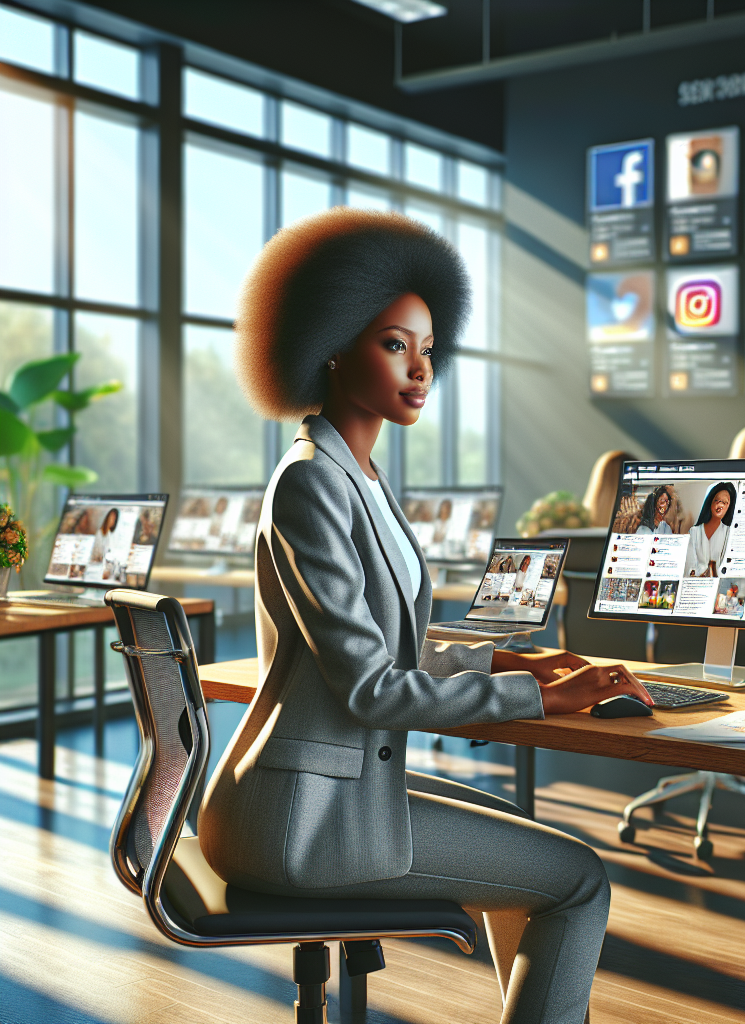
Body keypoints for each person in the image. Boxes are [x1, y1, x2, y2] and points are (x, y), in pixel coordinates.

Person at [199, 208, 652, 1024]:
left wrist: (518, 664)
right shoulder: (310, 484)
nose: (419, 369)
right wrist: (538, 700)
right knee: (581, 879)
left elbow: (394, 644)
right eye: (394, 344)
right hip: (297, 820)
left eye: (429, 349)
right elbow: (372, 687)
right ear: (333, 345)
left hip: (318, 787)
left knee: (517, 825)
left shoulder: (357, 477)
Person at [682, 482, 735, 577]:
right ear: (710, 502)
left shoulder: (730, 533)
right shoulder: (694, 531)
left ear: (729, 507)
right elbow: (689, 566)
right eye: (717, 500)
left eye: (724, 502)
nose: (719, 505)